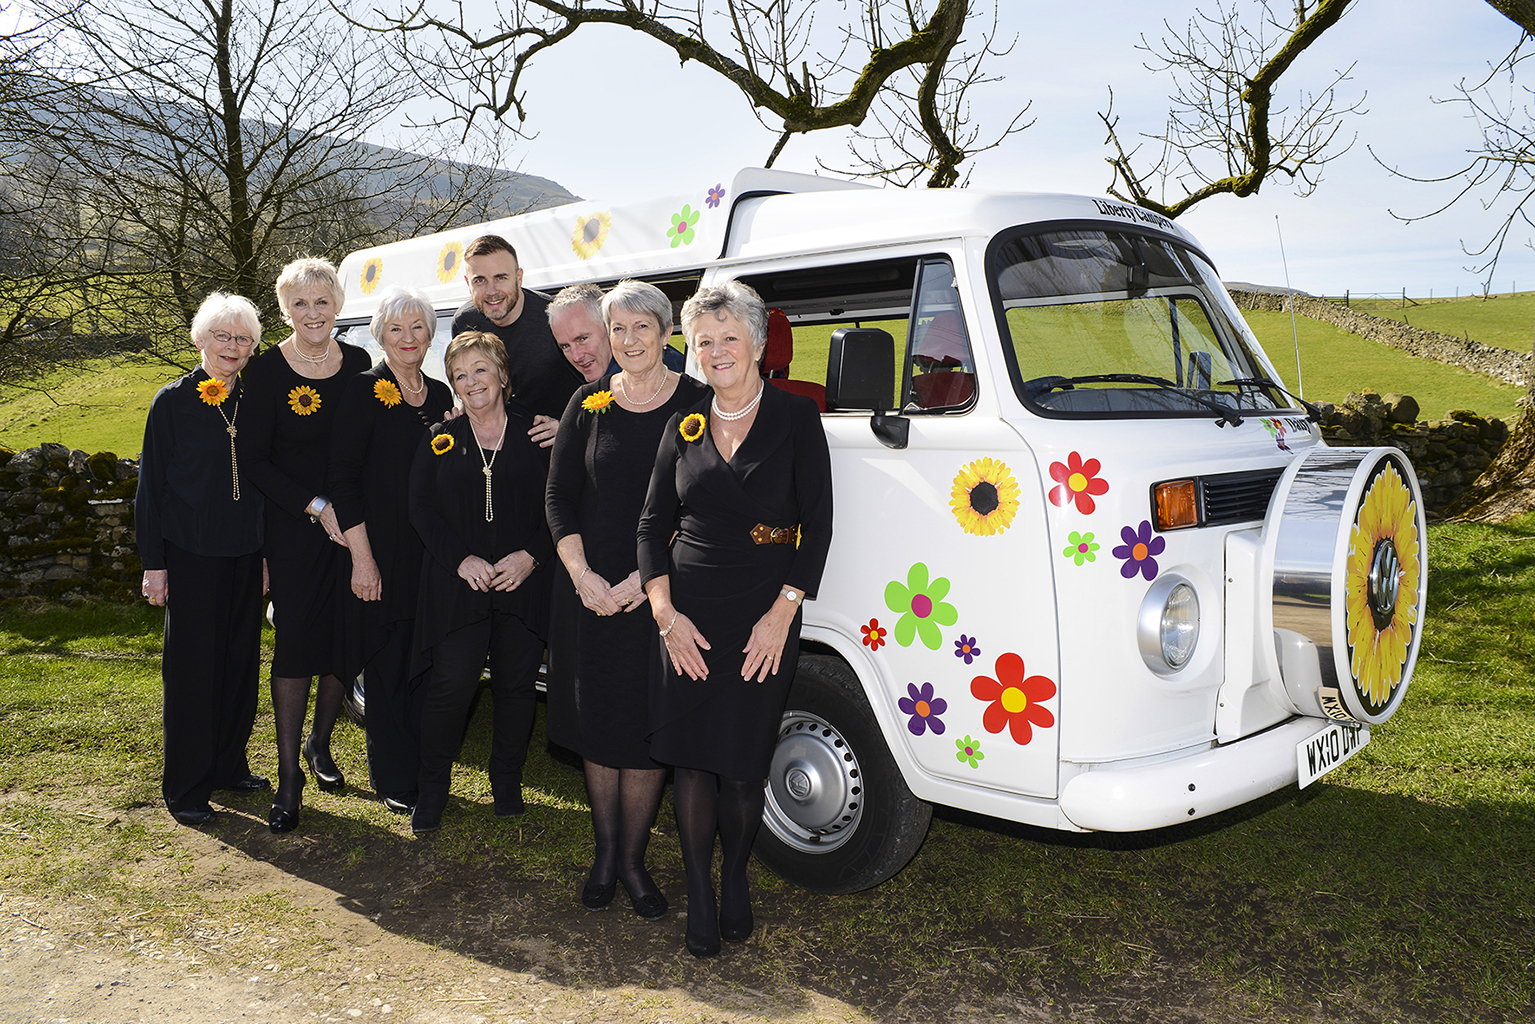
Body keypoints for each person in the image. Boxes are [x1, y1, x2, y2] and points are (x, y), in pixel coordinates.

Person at [637, 281, 833, 958]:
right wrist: (664, 615)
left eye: (728, 337)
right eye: (703, 341)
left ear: (755, 343)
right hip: (688, 616)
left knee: (743, 767)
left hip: (762, 615)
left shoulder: (795, 417)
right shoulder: (682, 425)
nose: (716, 351)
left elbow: (819, 526)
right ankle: (698, 888)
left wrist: (782, 614)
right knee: (691, 764)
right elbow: (649, 528)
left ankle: (735, 877)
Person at [546, 280, 710, 920]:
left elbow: (701, 503)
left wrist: (647, 583)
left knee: (643, 729)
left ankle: (636, 861)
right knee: (598, 723)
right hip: (589, 593)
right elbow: (558, 497)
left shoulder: (697, 405)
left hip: (660, 595)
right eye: (619, 329)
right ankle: (605, 854)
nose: (631, 340)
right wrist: (582, 575)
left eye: (644, 327)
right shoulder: (586, 404)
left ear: (668, 333)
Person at [241, 256, 371, 833]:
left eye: (322, 302)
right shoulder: (266, 373)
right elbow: (255, 461)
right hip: (296, 528)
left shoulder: (364, 365)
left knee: (345, 638)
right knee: (296, 646)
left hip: (356, 528)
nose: (312, 313)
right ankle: (289, 774)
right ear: (284, 309)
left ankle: (322, 742)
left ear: (338, 305)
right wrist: (316, 507)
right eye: (300, 302)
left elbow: (383, 437)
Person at [408, 330, 553, 834]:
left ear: (503, 375)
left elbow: (560, 506)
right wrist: (459, 560)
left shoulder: (537, 434)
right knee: (452, 685)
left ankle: (507, 780)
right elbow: (420, 509)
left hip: (523, 583)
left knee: (516, 686)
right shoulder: (441, 438)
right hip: (458, 585)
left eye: (480, 371)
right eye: (460, 376)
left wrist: (530, 558)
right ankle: (432, 788)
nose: (471, 383)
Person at [135, 292, 267, 826]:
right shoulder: (172, 402)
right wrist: (154, 564)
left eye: (242, 339)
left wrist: (267, 557)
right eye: (223, 336)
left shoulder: (255, 401)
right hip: (189, 555)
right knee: (193, 673)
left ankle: (228, 767)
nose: (232, 347)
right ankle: (187, 789)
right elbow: (151, 492)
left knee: (239, 667)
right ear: (200, 340)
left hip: (246, 554)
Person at [329, 286, 455, 814]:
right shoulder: (363, 391)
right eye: (397, 329)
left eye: (419, 327)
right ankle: (393, 779)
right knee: (386, 669)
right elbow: (342, 479)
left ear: (431, 335)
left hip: (433, 555)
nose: (408, 338)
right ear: (380, 335)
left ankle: (426, 771)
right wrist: (362, 558)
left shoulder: (445, 395)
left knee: (427, 667)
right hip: (381, 553)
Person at [452, 234, 583, 446]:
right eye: (480, 280)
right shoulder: (464, 323)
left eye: (500, 277)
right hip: (503, 449)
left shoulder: (555, 316)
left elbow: (600, 383)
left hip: (560, 447)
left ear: (519, 277)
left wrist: (571, 428)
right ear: (468, 283)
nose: (491, 291)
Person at [549, 282, 687, 382]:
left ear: (608, 328)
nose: (576, 357)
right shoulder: (594, 386)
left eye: (582, 339)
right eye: (565, 346)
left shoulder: (664, 372)